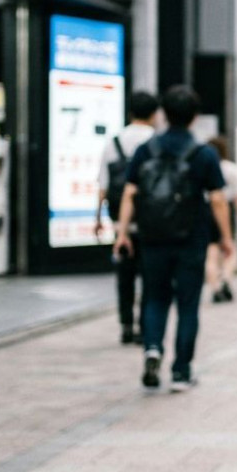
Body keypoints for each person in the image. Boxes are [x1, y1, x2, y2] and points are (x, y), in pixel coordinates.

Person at [113, 86, 233, 392]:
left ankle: (152, 347)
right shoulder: (202, 153)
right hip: (191, 239)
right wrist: (227, 238)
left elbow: (129, 192)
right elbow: (218, 199)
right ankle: (181, 372)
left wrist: (123, 233)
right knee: (188, 305)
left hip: (153, 238)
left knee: (155, 298)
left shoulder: (146, 150)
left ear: (163, 114)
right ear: (194, 116)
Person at [97, 91, 158, 344]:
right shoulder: (157, 141)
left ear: (131, 112)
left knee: (125, 275)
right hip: (151, 220)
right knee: (149, 275)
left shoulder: (114, 142)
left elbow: (103, 182)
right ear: (154, 114)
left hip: (119, 222)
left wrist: (97, 216)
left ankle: (125, 323)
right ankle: (145, 326)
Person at [205, 136, 237, 303]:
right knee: (230, 248)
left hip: (206, 211)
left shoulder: (204, 167)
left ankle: (215, 287)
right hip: (226, 209)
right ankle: (226, 279)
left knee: (211, 252)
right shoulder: (231, 169)